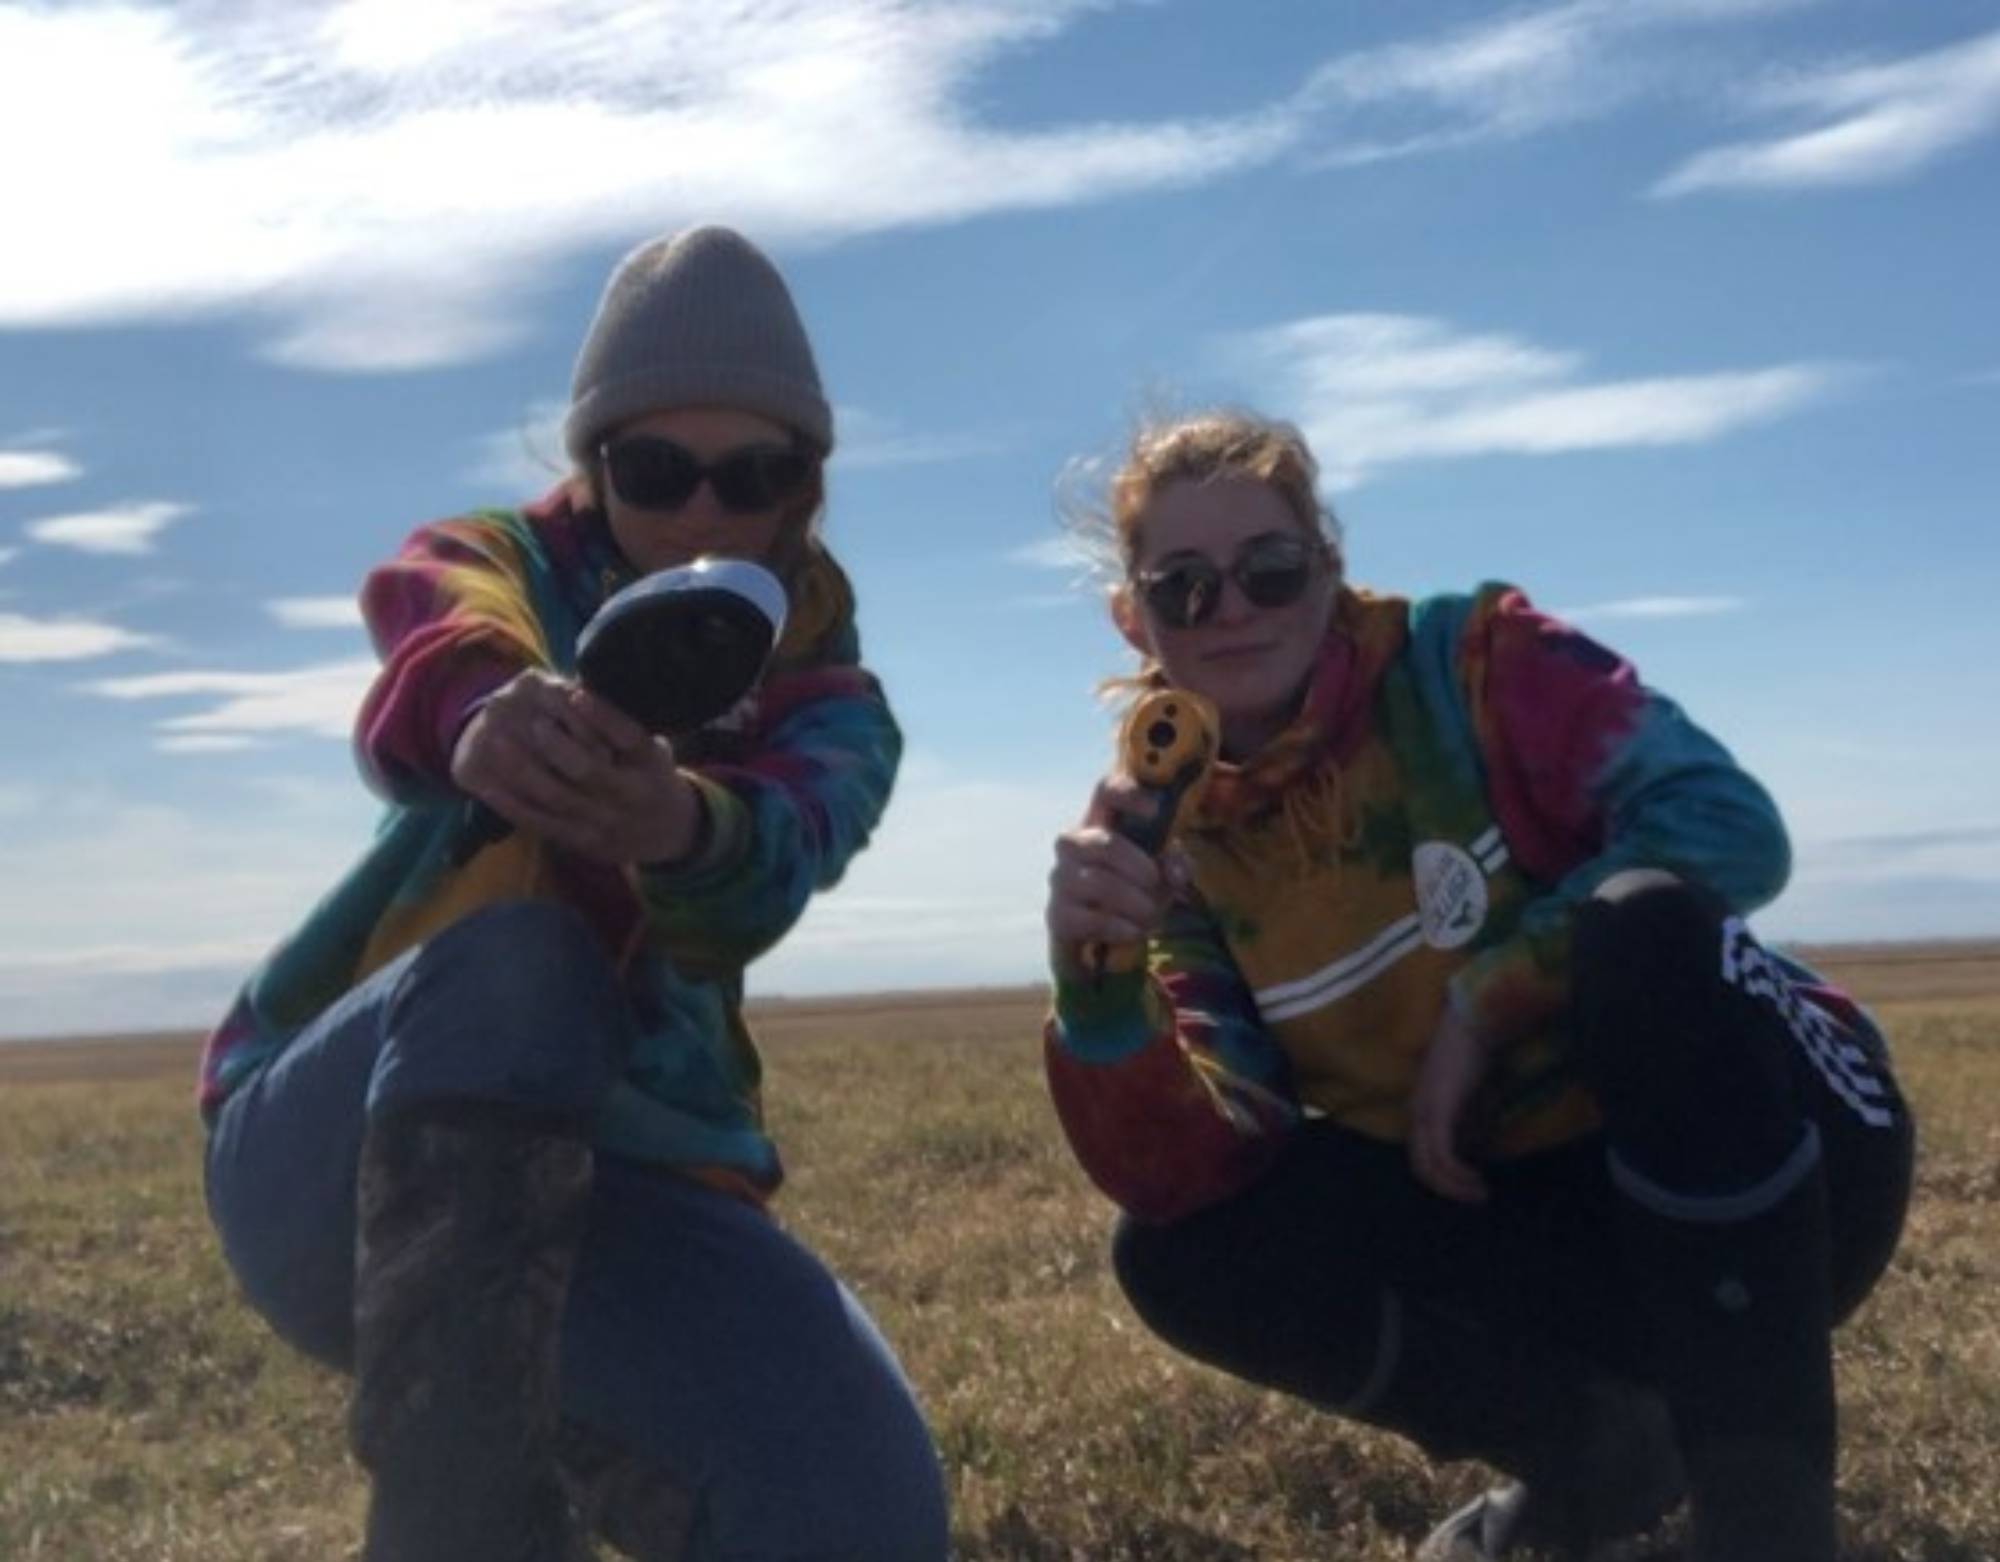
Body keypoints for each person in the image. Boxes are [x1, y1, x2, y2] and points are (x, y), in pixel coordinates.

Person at [1040, 409, 1914, 1562]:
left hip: (1788, 1168)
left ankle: (1765, 1525)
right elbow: (1206, 1156)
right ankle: (1596, 1457)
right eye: (1185, 587)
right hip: (1532, 1223)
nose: (1233, 609)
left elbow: (1728, 828)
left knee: (1644, 926)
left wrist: (1485, 997)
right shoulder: (1169, 847)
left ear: (1327, 567)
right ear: (1133, 615)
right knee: (1175, 1251)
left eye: (1269, 568)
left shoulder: (1476, 663)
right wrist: (1099, 990)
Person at [200, 226, 948, 1562]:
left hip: (625, 1178)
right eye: (658, 471)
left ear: (803, 489)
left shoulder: (833, 704)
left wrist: (679, 824)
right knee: (520, 962)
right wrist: (484, 710)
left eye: (755, 476)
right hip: (321, 1165)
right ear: (594, 471)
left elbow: (781, 846)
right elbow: (434, 602)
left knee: (861, 1498)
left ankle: (560, 1424)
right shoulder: (510, 576)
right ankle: (462, 1514)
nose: (707, 518)